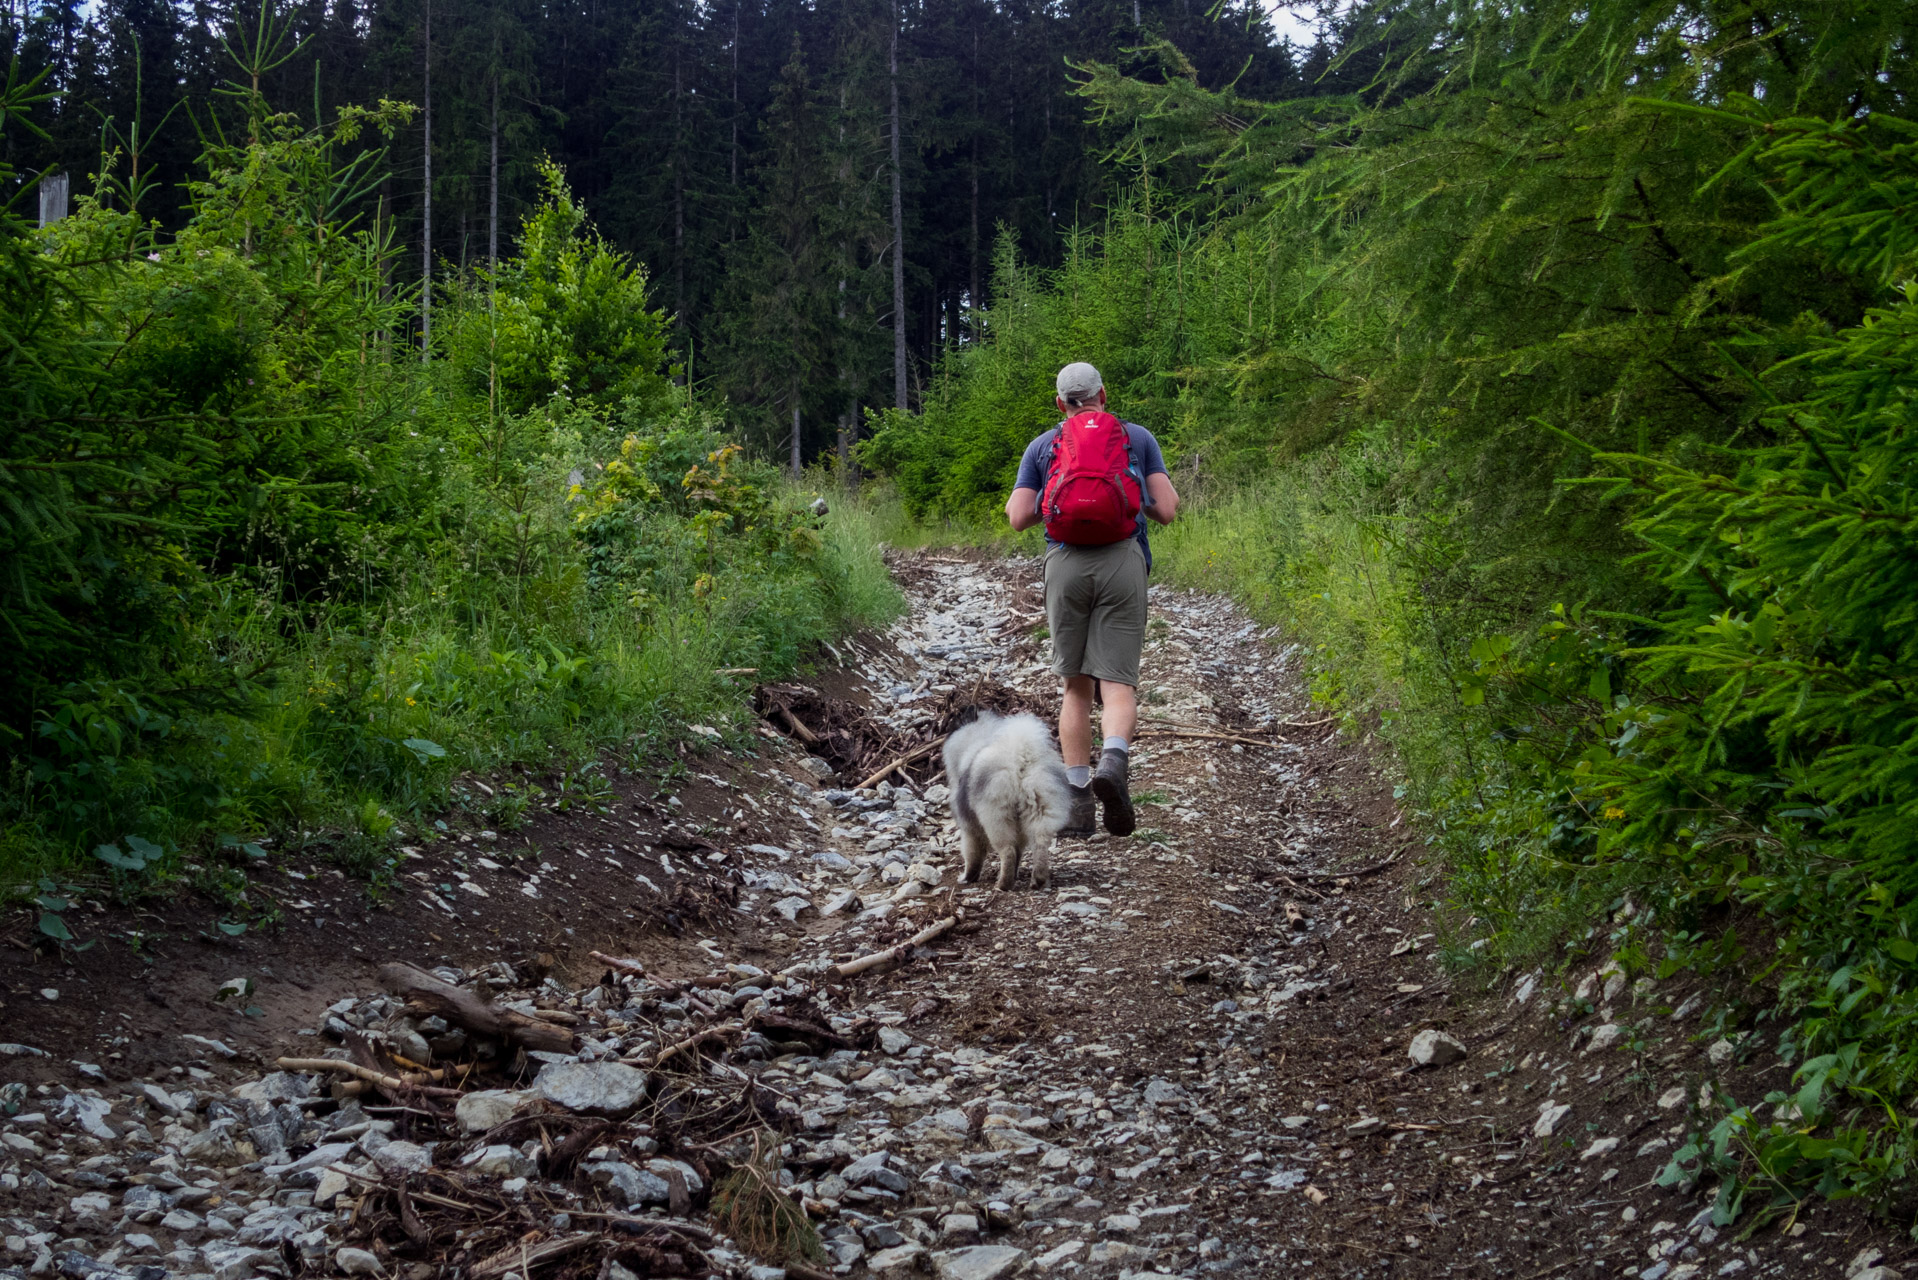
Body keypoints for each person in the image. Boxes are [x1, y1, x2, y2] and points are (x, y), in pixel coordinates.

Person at [1004, 362, 1179, 837]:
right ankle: (1114, 763)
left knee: (1075, 687)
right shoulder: (1136, 437)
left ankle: (1079, 801)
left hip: (1065, 563)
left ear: (1061, 403)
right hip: (1123, 561)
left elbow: (1019, 517)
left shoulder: (1044, 446)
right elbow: (1166, 510)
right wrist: (1127, 497)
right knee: (1118, 685)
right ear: (1104, 393)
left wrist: (1056, 502)